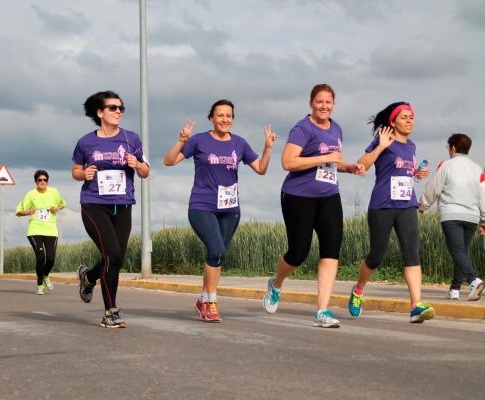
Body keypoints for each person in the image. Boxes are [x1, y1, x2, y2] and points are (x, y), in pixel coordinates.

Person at [260, 84, 365, 328]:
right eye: (319, 102)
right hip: (298, 196)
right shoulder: (302, 128)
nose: (324, 106)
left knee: (331, 250)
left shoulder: (336, 128)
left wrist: (349, 167)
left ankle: (323, 310)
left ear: (334, 105)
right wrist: (325, 157)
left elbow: (333, 163)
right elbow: (288, 162)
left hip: (329, 196)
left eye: (328, 102)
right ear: (311, 103)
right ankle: (275, 284)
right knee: (298, 253)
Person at [164, 99, 277, 322]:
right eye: (220, 115)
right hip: (202, 206)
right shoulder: (199, 141)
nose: (225, 119)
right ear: (211, 118)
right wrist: (180, 142)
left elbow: (261, 169)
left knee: (218, 255)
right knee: (216, 250)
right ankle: (211, 301)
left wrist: (268, 148)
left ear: (232, 119)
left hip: (230, 208)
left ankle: (203, 299)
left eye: (228, 116)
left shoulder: (240, 144)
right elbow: (169, 161)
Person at [347, 101, 435, 323]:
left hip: (407, 205)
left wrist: (416, 173)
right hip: (383, 205)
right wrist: (380, 146)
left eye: (411, 117)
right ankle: (358, 290)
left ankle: (416, 305)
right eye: (404, 117)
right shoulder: (383, 138)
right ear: (393, 121)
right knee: (376, 257)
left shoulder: (412, 146)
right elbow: (361, 166)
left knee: (412, 254)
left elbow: (401, 170)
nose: (409, 121)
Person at [72, 90, 149, 328]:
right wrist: (83, 174)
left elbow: (146, 171)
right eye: (113, 108)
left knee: (115, 259)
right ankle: (110, 312)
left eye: (121, 108)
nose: (118, 112)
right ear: (100, 112)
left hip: (123, 205)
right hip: (94, 204)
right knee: (112, 255)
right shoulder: (86, 142)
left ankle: (89, 277)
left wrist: (137, 165)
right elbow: (75, 170)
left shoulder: (131, 138)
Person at [419, 133, 485, 301]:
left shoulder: (446, 165)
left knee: (457, 251)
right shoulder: (478, 168)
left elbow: (434, 188)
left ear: (453, 148)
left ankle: (473, 280)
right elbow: (483, 195)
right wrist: (484, 219)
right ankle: (454, 289)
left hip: (451, 215)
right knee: (461, 251)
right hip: (472, 217)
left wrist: (423, 206)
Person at [15, 170, 66, 295]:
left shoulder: (54, 192)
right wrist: (28, 212)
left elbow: (63, 203)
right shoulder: (31, 194)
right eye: (40, 180)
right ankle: (39, 284)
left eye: (45, 180)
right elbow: (18, 211)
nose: (42, 182)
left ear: (47, 181)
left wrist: (57, 208)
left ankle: (45, 275)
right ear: (36, 182)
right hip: (35, 229)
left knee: (51, 258)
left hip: (51, 229)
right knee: (41, 256)